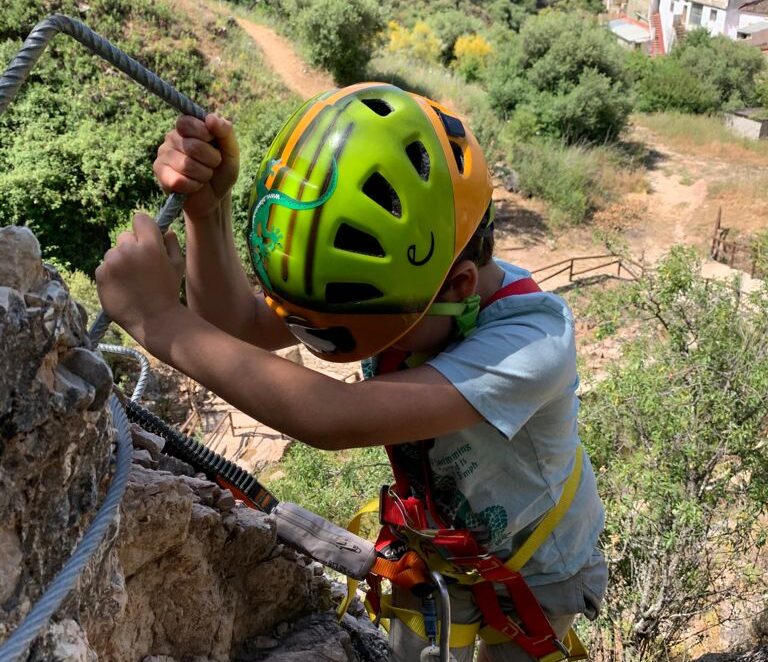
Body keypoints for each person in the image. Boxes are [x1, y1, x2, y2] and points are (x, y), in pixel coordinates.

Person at [95, 82, 607, 661]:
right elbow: (236, 323)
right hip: (442, 552)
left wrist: (158, 320)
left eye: (345, 325)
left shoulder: (531, 343)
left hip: (539, 574)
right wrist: (207, 213)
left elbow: (331, 417)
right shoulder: (397, 292)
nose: (331, 334)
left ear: (460, 285)